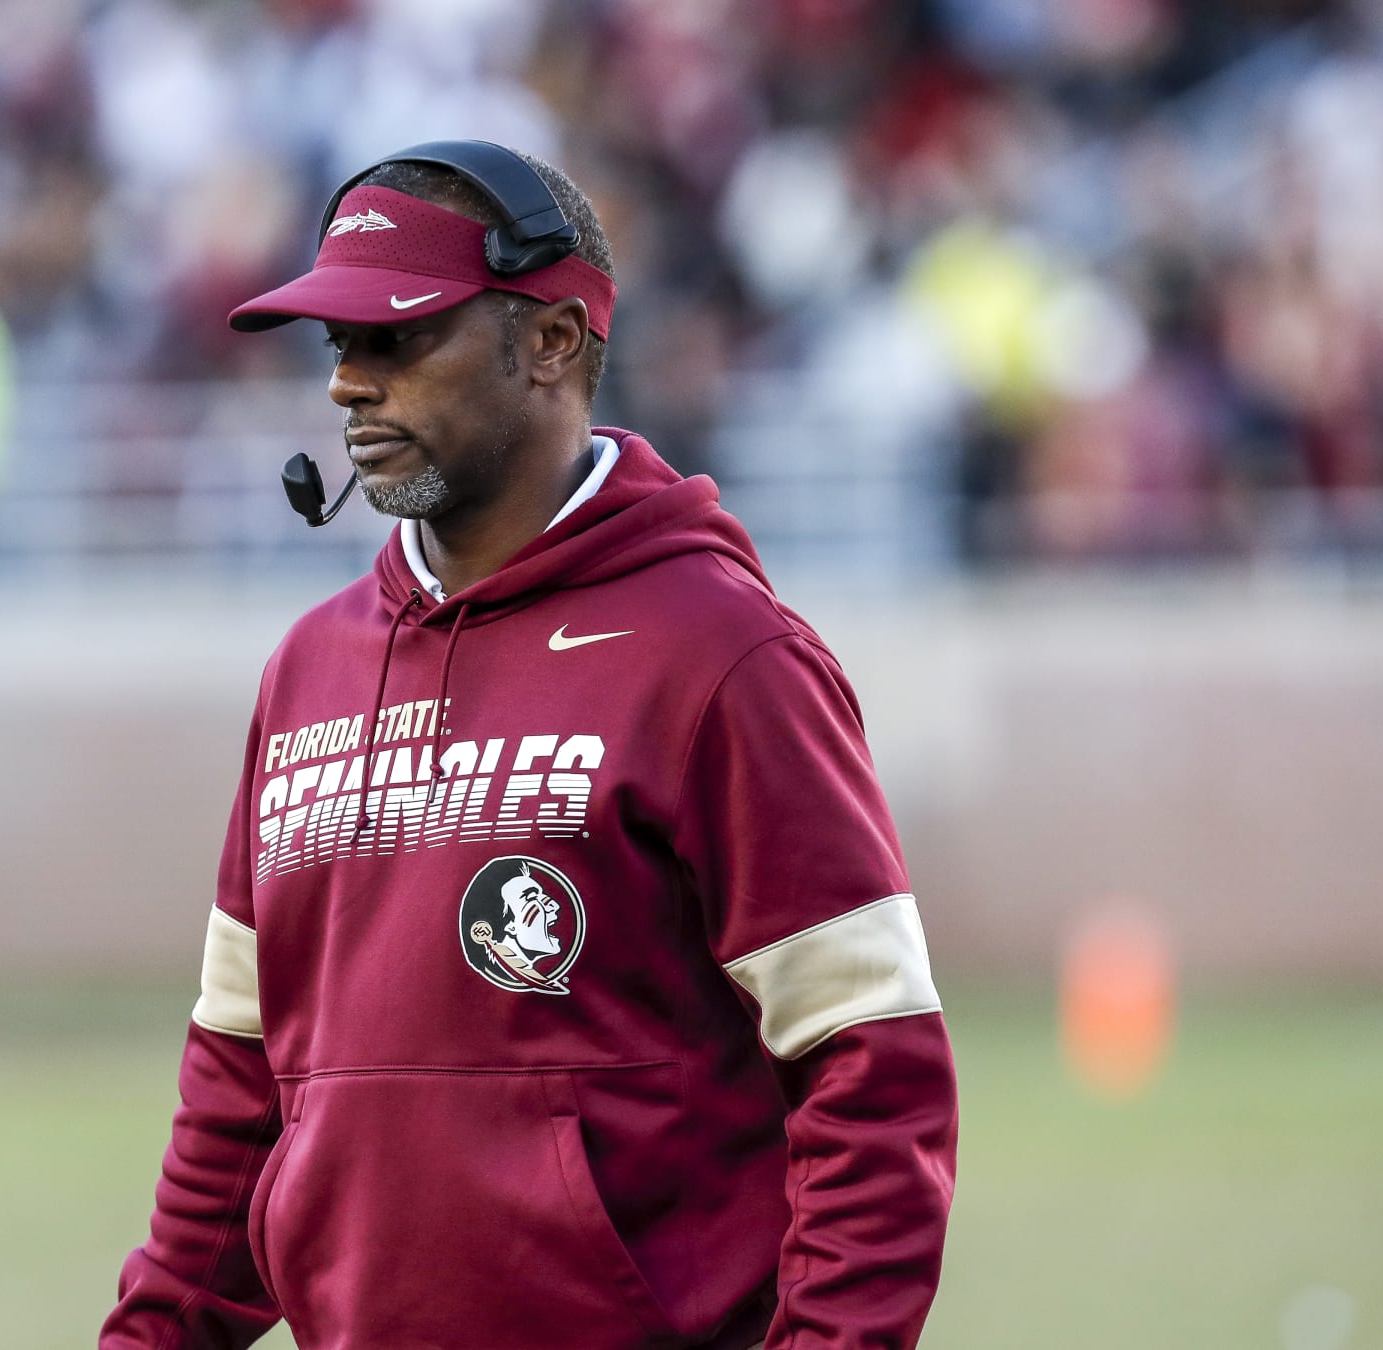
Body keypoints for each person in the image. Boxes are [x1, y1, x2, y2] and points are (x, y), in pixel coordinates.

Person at [101, 141, 958, 1350]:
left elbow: (874, 1074)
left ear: (553, 341)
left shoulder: (720, 655)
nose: (350, 384)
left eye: (398, 339)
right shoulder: (307, 669)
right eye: (339, 345)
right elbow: (239, 1102)